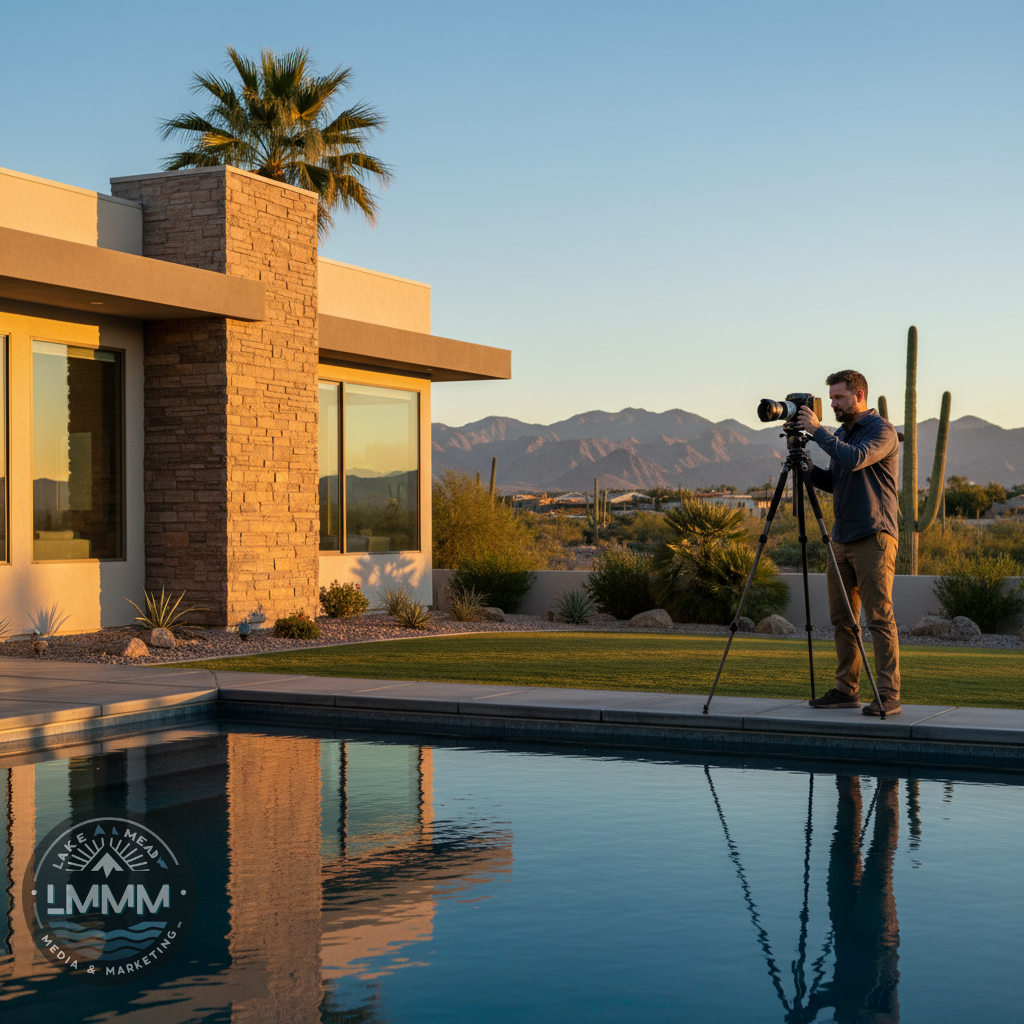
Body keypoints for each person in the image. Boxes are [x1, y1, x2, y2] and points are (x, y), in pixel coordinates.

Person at [794, 370, 902, 715]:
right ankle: (846, 690)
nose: (833, 405)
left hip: (873, 536)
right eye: (831, 399)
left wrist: (817, 432)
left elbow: (855, 459)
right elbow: (837, 481)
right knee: (842, 619)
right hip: (840, 538)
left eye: (838, 398)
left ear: (858, 396)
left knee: (878, 618)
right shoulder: (841, 433)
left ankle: (888, 695)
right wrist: (808, 469)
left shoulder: (881, 431)